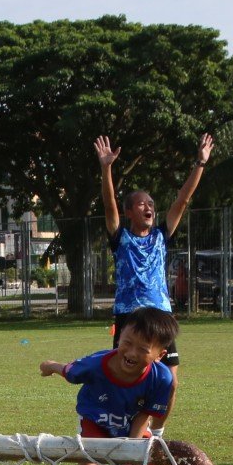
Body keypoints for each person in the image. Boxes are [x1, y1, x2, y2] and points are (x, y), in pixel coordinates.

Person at [38, 306, 182, 465]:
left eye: (142, 348)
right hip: (96, 422)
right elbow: (69, 371)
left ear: (159, 355)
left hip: (131, 425)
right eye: (127, 342)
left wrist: (132, 449)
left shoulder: (162, 379)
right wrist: (50, 365)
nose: (131, 352)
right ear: (119, 337)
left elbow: (144, 416)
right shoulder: (95, 364)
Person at [95, 131, 212, 395]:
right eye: (140, 204)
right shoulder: (121, 237)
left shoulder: (161, 235)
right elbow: (108, 203)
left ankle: (157, 433)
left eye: (151, 203)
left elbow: (182, 199)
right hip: (128, 314)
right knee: (124, 377)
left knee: (170, 380)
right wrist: (106, 169)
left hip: (159, 312)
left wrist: (200, 163)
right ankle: (122, 429)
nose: (148, 207)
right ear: (129, 212)